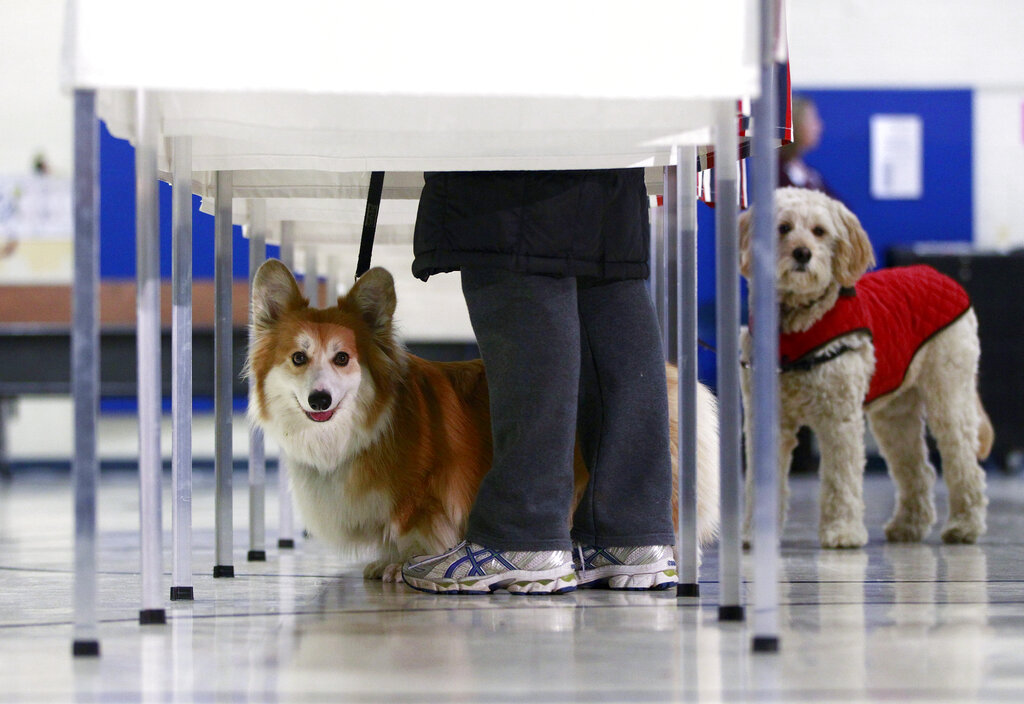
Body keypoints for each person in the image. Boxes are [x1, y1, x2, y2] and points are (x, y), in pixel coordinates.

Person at [401, 169, 677, 594]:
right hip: (611, 134)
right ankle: (629, 533)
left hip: (523, 139)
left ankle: (522, 531)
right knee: (607, 267)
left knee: (516, 240)